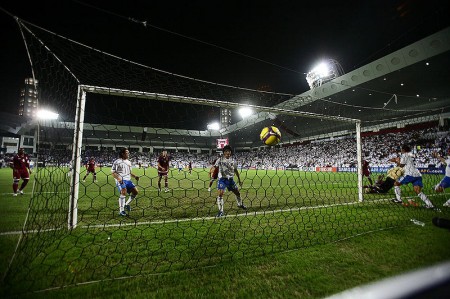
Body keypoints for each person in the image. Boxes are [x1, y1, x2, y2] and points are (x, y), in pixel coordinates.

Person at [389, 144, 436, 209]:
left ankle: (398, 199)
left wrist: (395, 161)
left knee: (396, 183)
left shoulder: (404, 155)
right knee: (417, 191)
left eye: (401, 150)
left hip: (410, 174)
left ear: (403, 150)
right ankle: (430, 205)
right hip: (417, 174)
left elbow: (401, 165)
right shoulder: (410, 154)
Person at [212, 145, 246, 217]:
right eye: (226, 151)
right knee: (220, 194)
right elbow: (214, 167)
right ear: (224, 152)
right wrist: (212, 175)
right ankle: (221, 211)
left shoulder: (233, 161)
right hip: (222, 180)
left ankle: (240, 204)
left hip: (230, 180)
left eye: (229, 151)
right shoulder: (220, 159)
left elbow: (236, 171)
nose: (228, 152)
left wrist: (239, 180)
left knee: (237, 193)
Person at [111, 148, 140, 216]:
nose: (128, 154)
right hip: (120, 179)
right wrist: (118, 179)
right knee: (123, 191)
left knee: (135, 192)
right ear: (122, 154)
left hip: (128, 180)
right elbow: (113, 172)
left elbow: (129, 172)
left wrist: (135, 176)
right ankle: (121, 211)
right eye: (127, 153)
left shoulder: (129, 162)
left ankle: (126, 204)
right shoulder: (117, 162)